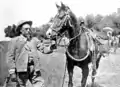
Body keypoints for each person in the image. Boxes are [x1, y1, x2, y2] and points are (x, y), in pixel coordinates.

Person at [6, 20, 53, 87]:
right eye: (26, 29)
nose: (28, 30)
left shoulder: (34, 40)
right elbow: (10, 57)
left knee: (40, 85)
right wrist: (12, 72)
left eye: (29, 29)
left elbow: (44, 49)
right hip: (22, 71)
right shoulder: (14, 41)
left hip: (34, 69)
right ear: (21, 30)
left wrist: (52, 47)